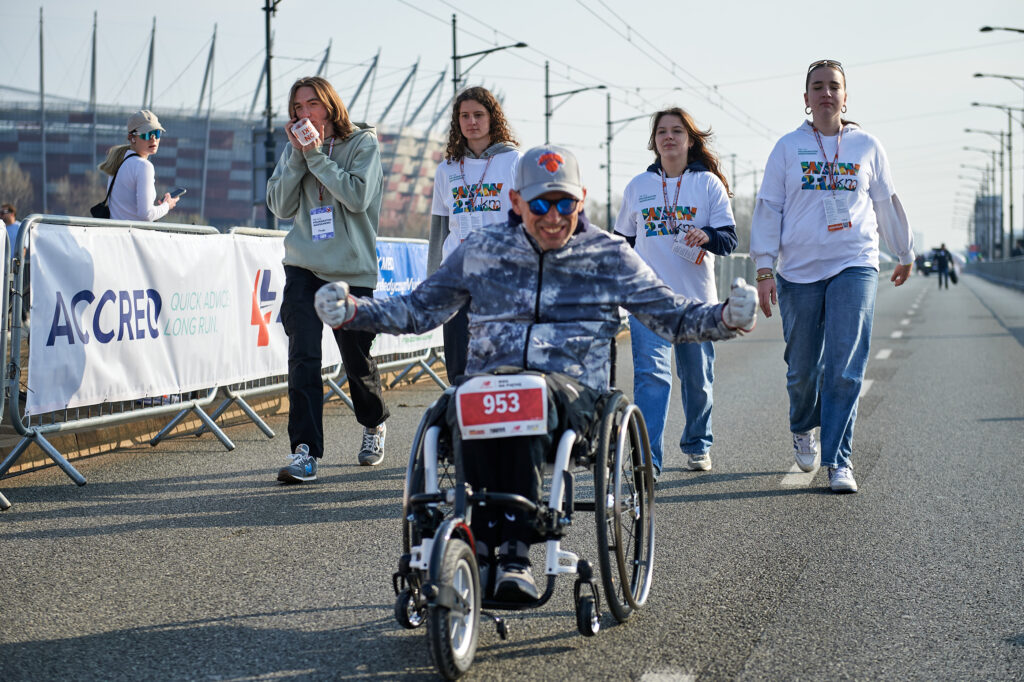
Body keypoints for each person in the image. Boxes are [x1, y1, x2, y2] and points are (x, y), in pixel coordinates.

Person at [315, 144, 759, 602]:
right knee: (461, 403)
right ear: (516, 201)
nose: (553, 217)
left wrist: (725, 317)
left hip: (573, 395)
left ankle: (513, 553)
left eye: (564, 204)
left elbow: (671, 315)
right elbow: (417, 309)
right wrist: (354, 311)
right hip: (488, 381)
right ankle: (464, 546)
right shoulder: (481, 250)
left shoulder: (607, 254)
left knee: (525, 395)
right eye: (540, 204)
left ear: (581, 200)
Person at [750, 59, 914, 494]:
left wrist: (903, 251)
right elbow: (769, 208)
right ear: (806, 98)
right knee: (803, 369)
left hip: (854, 262)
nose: (826, 93)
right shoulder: (788, 148)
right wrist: (764, 268)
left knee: (845, 366)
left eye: (834, 86)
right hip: (798, 271)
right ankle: (804, 425)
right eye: (818, 87)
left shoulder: (867, 146)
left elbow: (885, 202)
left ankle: (840, 460)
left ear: (845, 96)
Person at [266, 75, 389, 482]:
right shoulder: (294, 150)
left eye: (312, 104)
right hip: (303, 265)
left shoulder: (363, 144)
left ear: (330, 105)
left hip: (351, 270)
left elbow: (356, 197)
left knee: (357, 360)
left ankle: (373, 422)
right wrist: (299, 157)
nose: (304, 113)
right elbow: (280, 206)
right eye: (297, 108)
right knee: (303, 357)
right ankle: (304, 452)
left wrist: (316, 156)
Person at [615, 108, 737, 477]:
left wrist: (707, 236)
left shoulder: (708, 184)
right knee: (652, 378)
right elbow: (622, 242)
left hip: (695, 303)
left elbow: (728, 240)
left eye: (677, 131)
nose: (669, 137)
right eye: (662, 132)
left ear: (690, 140)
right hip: (648, 300)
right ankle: (648, 461)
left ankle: (698, 443)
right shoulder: (638, 186)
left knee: (697, 381)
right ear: (654, 141)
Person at [428, 87, 521, 382]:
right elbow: (439, 228)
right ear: (457, 121)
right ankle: (461, 410)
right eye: (465, 116)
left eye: (478, 115)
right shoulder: (447, 169)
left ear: (492, 118)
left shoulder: (514, 162)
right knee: (458, 364)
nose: (472, 122)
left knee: (500, 363)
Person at [98, 110, 180, 222]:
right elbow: (146, 215)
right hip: (133, 233)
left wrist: (159, 208)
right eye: (146, 134)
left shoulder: (119, 161)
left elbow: (127, 210)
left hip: (116, 231)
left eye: (157, 133)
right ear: (132, 138)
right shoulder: (144, 166)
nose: (153, 139)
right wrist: (167, 205)